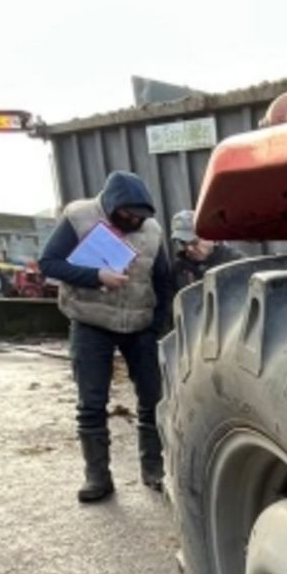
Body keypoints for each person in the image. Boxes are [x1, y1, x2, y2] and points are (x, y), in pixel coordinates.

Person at [38, 171, 173, 504]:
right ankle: (98, 476)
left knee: (151, 400)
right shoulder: (79, 216)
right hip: (91, 322)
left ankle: (153, 469)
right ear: (113, 207)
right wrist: (96, 275)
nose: (135, 222)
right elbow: (49, 263)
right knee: (92, 403)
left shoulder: (152, 231)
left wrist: (155, 324)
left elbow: (164, 279)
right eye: (129, 216)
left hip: (139, 325)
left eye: (141, 216)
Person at [169, 211, 244, 293]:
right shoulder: (179, 269)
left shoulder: (235, 262)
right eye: (183, 243)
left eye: (194, 242)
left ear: (209, 235)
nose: (189, 248)